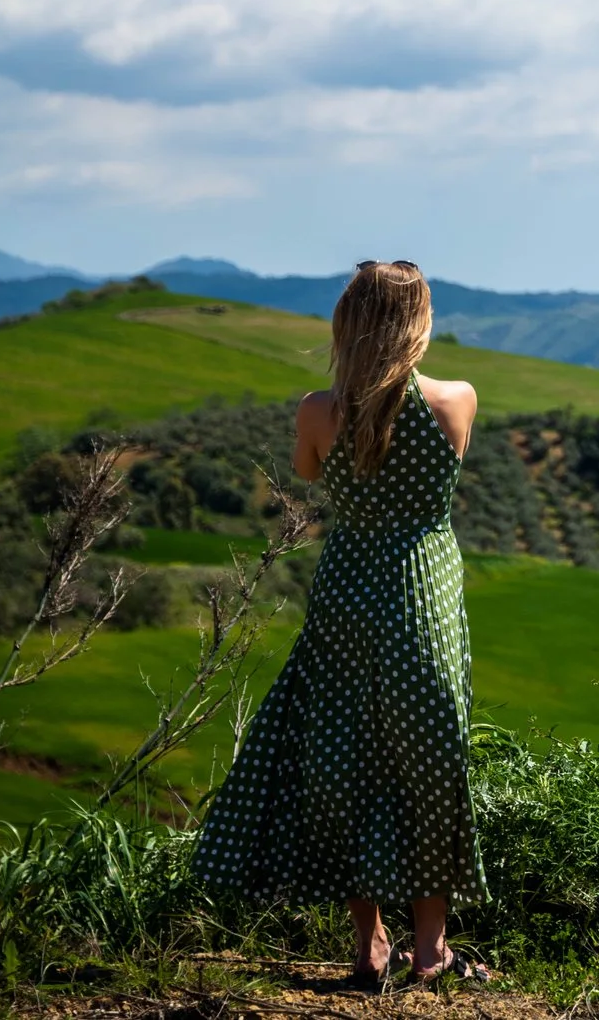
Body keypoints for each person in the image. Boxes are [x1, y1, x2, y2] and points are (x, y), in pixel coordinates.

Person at [192, 260, 489, 987]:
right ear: (416, 321)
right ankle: (430, 949)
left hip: (348, 594)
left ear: (347, 321)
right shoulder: (456, 399)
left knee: (340, 759)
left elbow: (306, 472)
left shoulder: (316, 409)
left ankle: (369, 945)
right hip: (425, 595)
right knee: (430, 762)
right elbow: (442, 478)